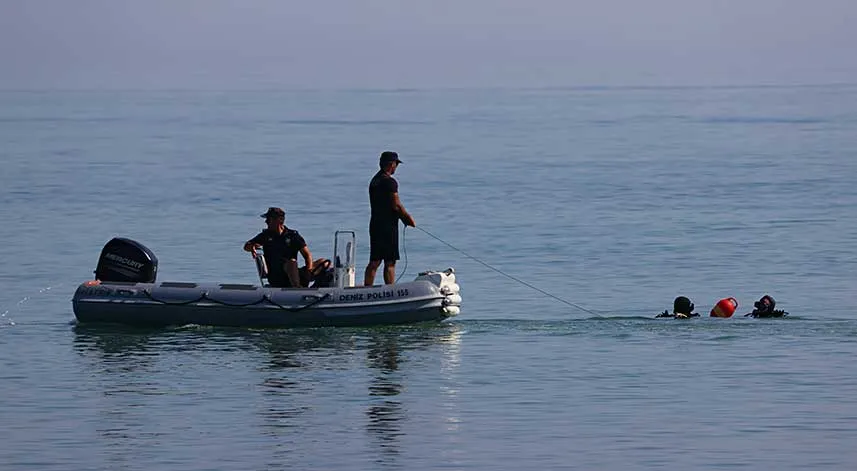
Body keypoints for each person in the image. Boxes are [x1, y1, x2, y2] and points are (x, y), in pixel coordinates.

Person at [364, 151, 416, 286]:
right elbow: (396, 205)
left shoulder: (374, 181)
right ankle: (390, 290)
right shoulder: (390, 182)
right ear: (391, 164)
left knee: (375, 260)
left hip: (375, 224)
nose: (396, 168)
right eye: (396, 165)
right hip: (388, 226)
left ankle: (367, 288)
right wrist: (407, 219)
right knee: (390, 261)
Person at [244, 207, 331, 288]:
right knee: (291, 262)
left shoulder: (293, 235)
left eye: (268, 219)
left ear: (279, 220)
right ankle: (297, 289)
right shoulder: (265, 236)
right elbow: (246, 246)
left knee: (324, 262)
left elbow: (307, 255)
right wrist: (251, 247)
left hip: (294, 273)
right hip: (277, 277)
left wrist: (308, 271)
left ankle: (319, 288)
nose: (266, 222)